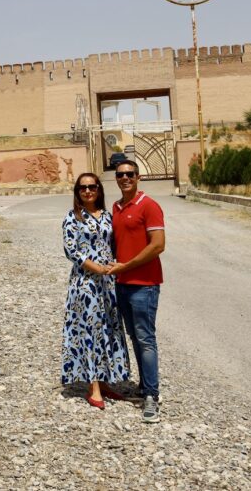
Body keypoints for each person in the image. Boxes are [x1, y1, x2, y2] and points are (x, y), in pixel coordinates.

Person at [60, 172, 129, 409]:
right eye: (83, 188)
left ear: (98, 189)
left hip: (108, 283)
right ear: (77, 192)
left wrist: (116, 266)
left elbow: (117, 244)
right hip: (86, 284)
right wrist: (97, 268)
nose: (88, 191)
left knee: (108, 328)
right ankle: (93, 386)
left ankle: (106, 379)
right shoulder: (73, 218)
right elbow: (72, 251)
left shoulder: (109, 217)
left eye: (92, 187)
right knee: (89, 331)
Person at [106, 159, 166, 423]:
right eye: (121, 174)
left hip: (144, 284)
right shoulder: (116, 208)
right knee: (134, 336)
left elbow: (158, 245)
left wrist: (127, 265)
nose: (125, 178)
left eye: (130, 174)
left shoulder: (149, 205)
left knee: (145, 338)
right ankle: (144, 387)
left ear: (138, 177)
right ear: (116, 178)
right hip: (122, 285)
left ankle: (152, 395)